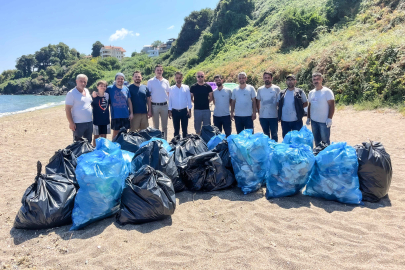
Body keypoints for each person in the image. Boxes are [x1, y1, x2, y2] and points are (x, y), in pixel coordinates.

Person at [96, 72, 133, 140]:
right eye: (118, 78)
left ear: (123, 80)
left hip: (125, 114)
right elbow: (101, 92)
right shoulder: (110, 88)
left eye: (122, 79)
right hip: (115, 115)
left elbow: (129, 102)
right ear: (115, 80)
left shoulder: (126, 89)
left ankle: (122, 147)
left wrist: (131, 113)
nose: (120, 80)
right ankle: (114, 147)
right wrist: (95, 94)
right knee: (116, 133)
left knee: (125, 133)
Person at [306, 72, 335, 146]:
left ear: (321, 79)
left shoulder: (327, 92)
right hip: (314, 121)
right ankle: (318, 155)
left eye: (318, 79)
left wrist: (329, 118)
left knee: (325, 142)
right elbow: (310, 105)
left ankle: (326, 156)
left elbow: (332, 106)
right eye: (314, 79)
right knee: (317, 140)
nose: (316, 81)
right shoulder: (311, 92)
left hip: (324, 121)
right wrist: (308, 117)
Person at [278, 74, 308, 138]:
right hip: (284, 121)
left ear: (295, 81)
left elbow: (305, 103)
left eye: (292, 80)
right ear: (286, 82)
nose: (290, 81)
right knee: (286, 139)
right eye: (288, 80)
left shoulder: (300, 92)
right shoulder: (282, 93)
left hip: (297, 121)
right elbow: (278, 104)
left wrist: (299, 109)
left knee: (297, 139)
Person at [65, 74, 93, 142]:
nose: (83, 83)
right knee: (78, 144)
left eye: (85, 82)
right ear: (76, 81)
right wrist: (71, 123)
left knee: (88, 143)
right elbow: (67, 109)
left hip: (89, 122)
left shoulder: (87, 91)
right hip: (78, 124)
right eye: (81, 81)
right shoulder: (71, 93)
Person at [147, 64, 170, 140]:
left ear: (162, 71)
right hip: (155, 106)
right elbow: (149, 96)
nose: (159, 71)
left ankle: (165, 142)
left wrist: (170, 108)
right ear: (155, 71)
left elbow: (169, 94)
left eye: (160, 70)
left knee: (164, 127)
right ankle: (157, 142)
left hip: (164, 106)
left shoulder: (166, 81)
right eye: (158, 70)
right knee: (156, 127)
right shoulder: (150, 81)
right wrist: (149, 109)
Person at [256, 72, 281, 141]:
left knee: (274, 134)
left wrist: (279, 114)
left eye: (268, 78)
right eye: (265, 78)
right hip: (263, 117)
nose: (267, 79)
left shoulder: (277, 89)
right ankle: (267, 149)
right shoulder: (260, 89)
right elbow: (258, 102)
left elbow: (279, 102)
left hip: (273, 116)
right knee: (265, 135)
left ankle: (274, 149)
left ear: (272, 79)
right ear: (263, 79)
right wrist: (259, 113)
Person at [168, 71, 192, 138]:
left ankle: (184, 146)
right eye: (177, 78)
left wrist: (190, 110)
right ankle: (176, 146)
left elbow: (189, 99)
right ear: (175, 78)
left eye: (180, 78)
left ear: (182, 78)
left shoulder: (186, 87)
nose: (178, 79)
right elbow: (170, 100)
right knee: (176, 130)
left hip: (184, 111)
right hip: (175, 112)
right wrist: (169, 111)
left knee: (185, 130)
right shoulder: (171, 88)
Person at [91, 80, 110, 146]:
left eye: (104, 86)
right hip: (96, 120)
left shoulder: (107, 95)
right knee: (96, 137)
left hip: (105, 120)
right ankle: (94, 149)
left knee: (104, 136)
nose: (103, 87)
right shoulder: (93, 96)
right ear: (97, 87)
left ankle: (102, 149)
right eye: (101, 86)